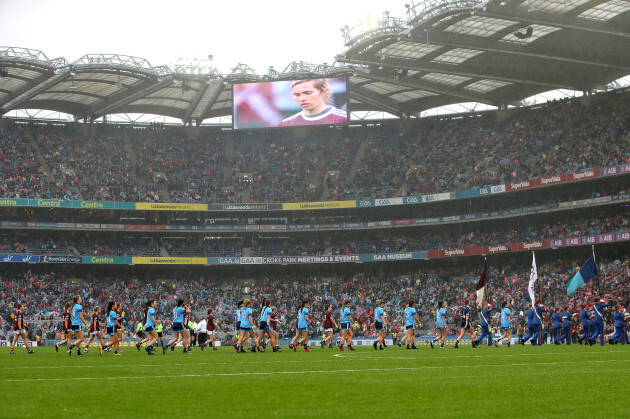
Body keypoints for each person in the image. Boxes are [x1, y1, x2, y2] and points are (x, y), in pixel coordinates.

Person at [278, 79, 347, 127]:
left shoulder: (343, 118)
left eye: (308, 93)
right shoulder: (286, 123)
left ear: (323, 92)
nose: (302, 99)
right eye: (297, 95)